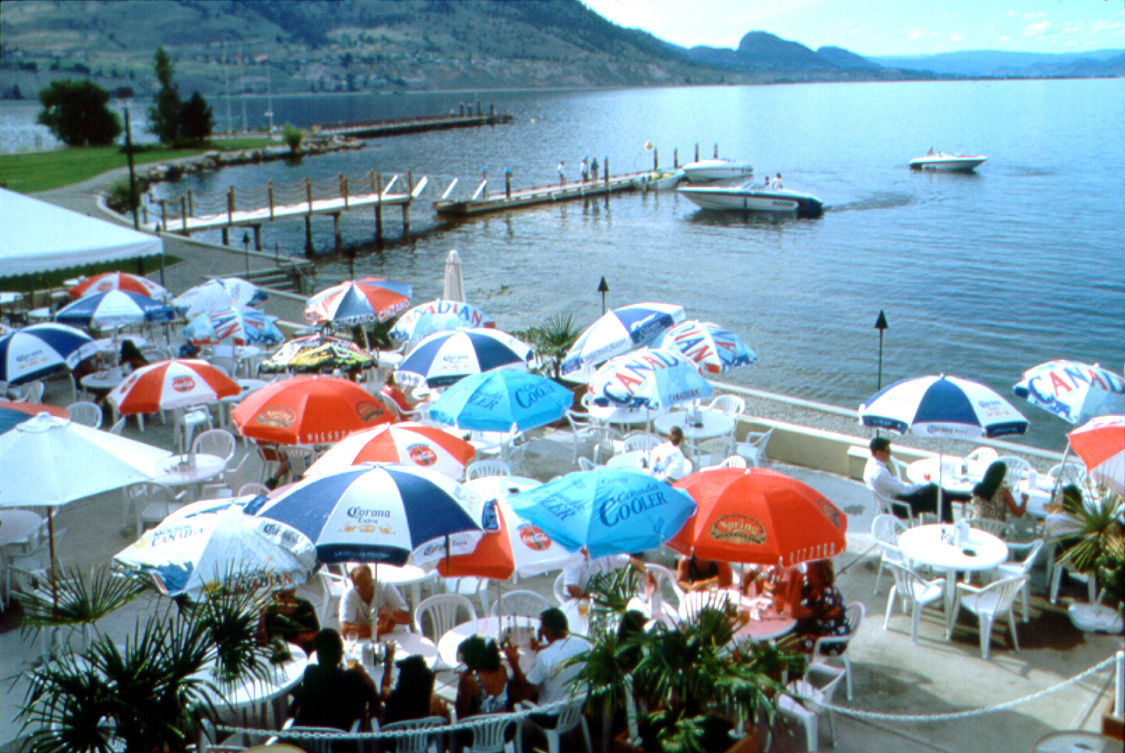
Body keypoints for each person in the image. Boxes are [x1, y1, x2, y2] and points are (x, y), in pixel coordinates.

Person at [290, 628, 380, 737]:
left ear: (318, 654)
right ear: (340, 655)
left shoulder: (311, 673)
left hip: (309, 743)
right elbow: (374, 699)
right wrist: (364, 675)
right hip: (340, 744)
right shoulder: (352, 678)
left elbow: (295, 705)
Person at [863, 437, 971, 523]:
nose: (890, 453)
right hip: (897, 506)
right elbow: (904, 489)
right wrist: (922, 485)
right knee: (934, 492)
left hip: (891, 497)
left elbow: (897, 486)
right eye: (887, 451)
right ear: (878, 453)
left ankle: (950, 511)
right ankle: (951, 518)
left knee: (938, 494)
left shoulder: (872, 463)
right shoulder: (879, 473)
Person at [504, 607, 592, 706]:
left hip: (551, 715)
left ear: (547, 631)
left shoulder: (545, 656)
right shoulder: (585, 644)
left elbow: (527, 691)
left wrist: (514, 663)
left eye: (542, 630)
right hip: (579, 708)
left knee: (513, 688)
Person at [791, 559, 850, 654]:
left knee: (785, 642)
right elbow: (792, 600)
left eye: (809, 572)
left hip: (831, 640)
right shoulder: (817, 587)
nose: (806, 575)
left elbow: (795, 613)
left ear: (818, 576)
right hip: (819, 629)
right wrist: (793, 579)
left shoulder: (824, 597)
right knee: (791, 632)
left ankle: (795, 666)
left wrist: (797, 586)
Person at [338, 563, 411, 640]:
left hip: (394, 637)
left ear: (372, 579)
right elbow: (345, 629)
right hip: (367, 640)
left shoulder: (385, 587)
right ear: (353, 584)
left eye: (367, 584)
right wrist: (376, 630)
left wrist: (391, 614)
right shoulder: (349, 594)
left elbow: (407, 618)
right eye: (360, 586)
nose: (365, 589)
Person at [381, 646, 449, 724]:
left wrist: (389, 661)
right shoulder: (434, 702)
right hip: (424, 736)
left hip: (399, 735)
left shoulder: (393, 698)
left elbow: (384, 688)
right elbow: (443, 721)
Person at [455, 635, 510, 720]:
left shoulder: (470, 680)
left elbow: (461, 713)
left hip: (481, 729)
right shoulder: (502, 670)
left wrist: (462, 681)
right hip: (504, 726)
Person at [562, 549, 646, 600]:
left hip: (603, 597)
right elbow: (572, 588)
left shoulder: (603, 550)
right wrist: (595, 598)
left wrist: (647, 573)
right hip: (581, 601)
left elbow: (629, 561)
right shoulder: (574, 555)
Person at [259, 587, 320, 655]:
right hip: (280, 652)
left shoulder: (304, 607)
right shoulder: (270, 613)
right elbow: (262, 641)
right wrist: (262, 618)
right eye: (281, 597)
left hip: (301, 649)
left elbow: (315, 633)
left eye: (290, 596)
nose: (285, 602)